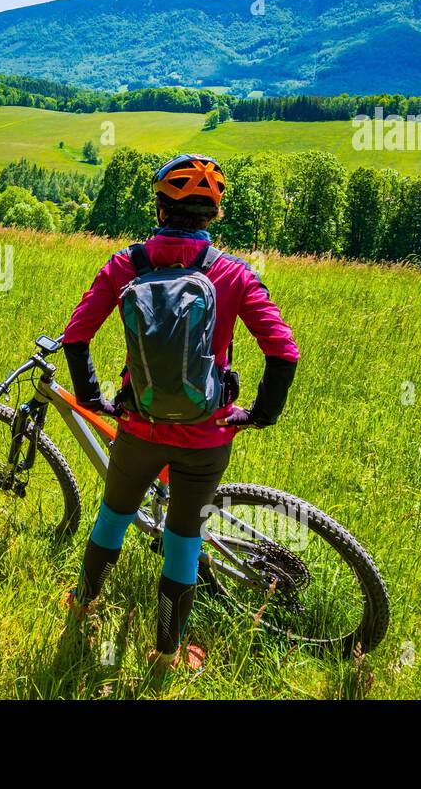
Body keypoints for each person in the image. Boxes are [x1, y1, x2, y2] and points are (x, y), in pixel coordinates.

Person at [61, 153, 299, 674]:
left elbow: (75, 338)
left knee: (113, 519)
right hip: (207, 436)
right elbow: (284, 352)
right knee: (183, 540)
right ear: (212, 215)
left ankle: (83, 604)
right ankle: (166, 652)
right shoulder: (233, 274)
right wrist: (259, 414)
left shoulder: (125, 265)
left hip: (138, 428)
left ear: (160, 208)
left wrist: (95, 398)